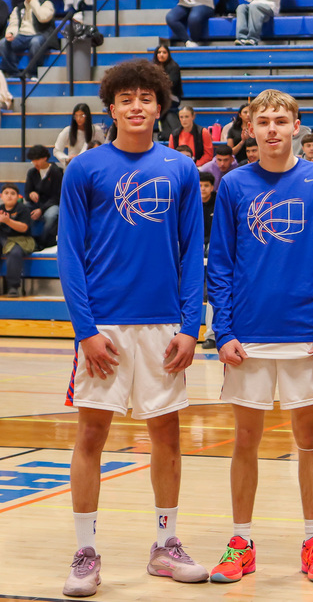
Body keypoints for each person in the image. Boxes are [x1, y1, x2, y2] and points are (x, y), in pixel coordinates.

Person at [58, 59, 208, 597]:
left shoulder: (181, 168)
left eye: (147, 97)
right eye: (127, 99)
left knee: (166, 436)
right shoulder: (85, 168)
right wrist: (84, 330)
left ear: (160, 106)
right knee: (91, 435)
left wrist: (192, 326)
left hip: (164, 327)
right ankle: (85, 552)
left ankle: (165, 547)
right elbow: (70, 256)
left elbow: (194, 254)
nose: (137, 105)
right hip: (103, 327)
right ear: (112, 107)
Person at [205, 88, 313, 584]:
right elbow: (220, 263)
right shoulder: (233, 184)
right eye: (262, 121)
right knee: (245, 439)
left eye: (280, 121)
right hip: (246, 337)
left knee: (308, 440)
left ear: (295, 127)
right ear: (250, 128)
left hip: (306, 337)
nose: (271, 130)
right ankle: (241, 542)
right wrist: (221, 329)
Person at [0, 0, 54, 82]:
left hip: (39, 34)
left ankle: (32, 73)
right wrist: (11, 33)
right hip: (22, 36)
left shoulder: (46, 4)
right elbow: (14, 23)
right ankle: (14, 72)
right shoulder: (19, 8)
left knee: (35, 42)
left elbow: (43, 17)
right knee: (3, 43)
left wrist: (33, 1)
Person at [23, 143, 61, 248]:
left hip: (51, 204)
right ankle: (27, 240)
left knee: (51, 215)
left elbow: (57, 196)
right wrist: (31, 193)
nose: (35, 163)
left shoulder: (56, 172)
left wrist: (41, 210)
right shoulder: (31, 172)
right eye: (33, 160)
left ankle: (43, 242)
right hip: (35, 204)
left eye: (37, 159)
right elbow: (27, 193)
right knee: (23, 210)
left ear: (45, 158)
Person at [1, 182, 35, 296]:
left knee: (14, 252)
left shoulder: (23, 209)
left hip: (21, 239)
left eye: (12, 193)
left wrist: (8, 221)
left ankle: (13, 287)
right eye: (6, 193)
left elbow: (24, 228)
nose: (9, 196)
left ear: (18, 196)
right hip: (3, 239)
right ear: (1, 196)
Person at [152, 45, 183, 140]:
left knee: (163, 107)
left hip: (172, 97)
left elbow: (170, 84)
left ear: (168, 54)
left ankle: (167, 134)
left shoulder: (174, 67)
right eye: (159, 52)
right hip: (158, 97)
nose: (161, 55)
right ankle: (166, 134)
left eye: (164, 52)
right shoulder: (152, 67)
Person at [198, 171, 215, 250]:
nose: (203, 189)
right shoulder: (189, 202)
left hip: (214, 241)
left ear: (212, 187)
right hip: (196, 241)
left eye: (206, 185)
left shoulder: (219, 202)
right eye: (200, 185)